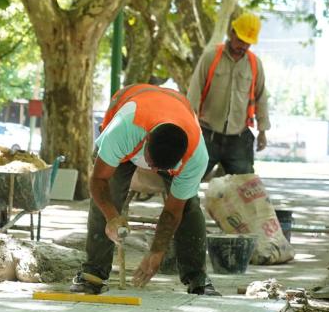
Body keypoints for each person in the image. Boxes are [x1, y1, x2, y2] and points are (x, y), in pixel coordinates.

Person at [70, 84, 218, 296]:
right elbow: (98, 180)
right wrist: (112, 217)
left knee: (189, 206)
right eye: (151, 163)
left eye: (162, 169)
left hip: (174, 113)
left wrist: (157, 251)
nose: (154, 171)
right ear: (146, 140)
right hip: (134, 116)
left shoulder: (196, 156)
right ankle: (93, 273)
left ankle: (197, 278)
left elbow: (172, 211)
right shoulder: (124, 130)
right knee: (108, 196)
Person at [186, 12, 270, 177]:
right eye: (240, 40)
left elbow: (261, 99)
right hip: (207, 135)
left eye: (248, 43)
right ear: (231, 33)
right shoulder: (211, 57)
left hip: (238, 139)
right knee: (188, 183)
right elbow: (194, 92)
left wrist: (262, 131)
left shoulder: (255, 64)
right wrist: (189, 128)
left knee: (245, 188)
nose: (243, 46)